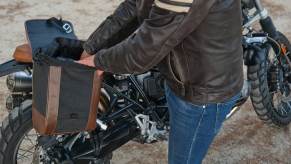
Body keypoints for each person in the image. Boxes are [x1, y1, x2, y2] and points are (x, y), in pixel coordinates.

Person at [77, 0, 243, 163]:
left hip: (202, 92)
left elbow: (143, 51)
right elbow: (135, 5)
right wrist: (91, 48)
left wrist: (97, 62)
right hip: (181, 73)